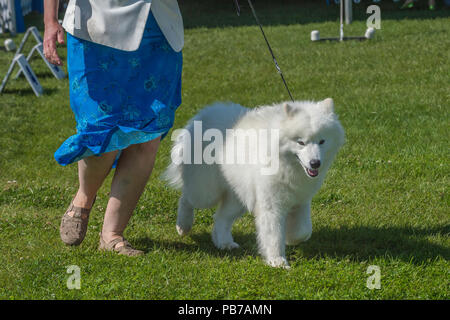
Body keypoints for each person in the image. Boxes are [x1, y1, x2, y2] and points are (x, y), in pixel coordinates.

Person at [43, 0, 184, 256]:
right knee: (100, 129)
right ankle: (84, 199)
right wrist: (50, 20)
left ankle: (112, 235)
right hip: (96, 25)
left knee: (148, 133)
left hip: (158, 25)